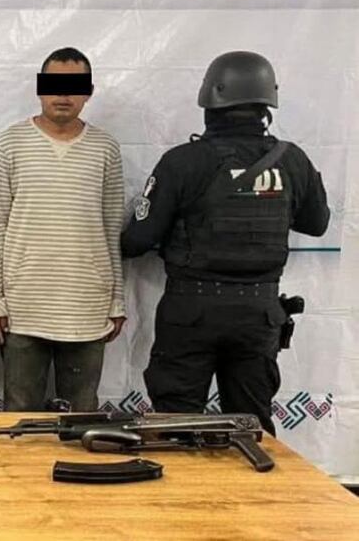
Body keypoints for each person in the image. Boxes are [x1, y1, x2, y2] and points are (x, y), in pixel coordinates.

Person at [121, 51, 330, 435]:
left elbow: (137, 240)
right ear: (267, 104)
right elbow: (317, 223)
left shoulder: (183, 162)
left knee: (176, 427)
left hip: (192, 310)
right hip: (258, 312)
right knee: (251, 427)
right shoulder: (292, 160)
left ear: (210, 101)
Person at [0, 47, 126, 412]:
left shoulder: (106, 148)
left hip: (87, 308)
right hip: (23, 308)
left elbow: (111, 229)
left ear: (88, 92)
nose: (63, 94)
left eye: (74, 85)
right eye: (54, 84)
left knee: (82, 417)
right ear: (40, 88)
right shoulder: (8, 143)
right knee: (20, 416)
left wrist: (116, 299)